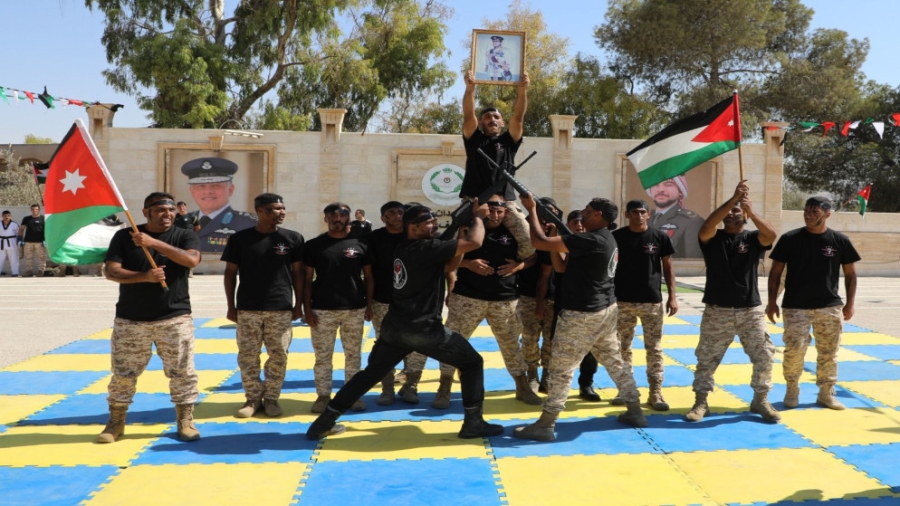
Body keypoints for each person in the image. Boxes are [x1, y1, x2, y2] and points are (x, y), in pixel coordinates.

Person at [305, 203, 504, 441]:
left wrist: (458, 235)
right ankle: (473, 423)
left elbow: (449, 265)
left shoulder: (404, 248)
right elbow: (475, 242)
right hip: (423, 329)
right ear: (413, 227)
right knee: (472, 363)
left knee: (370, 374)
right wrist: (478, 217)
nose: (434, 225)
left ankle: (323, 422)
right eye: (428, 223)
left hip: (395, 328)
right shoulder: (427, 247)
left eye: (434, 221)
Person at [514, 194, 647, 442]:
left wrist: (531, 210)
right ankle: (635, 409)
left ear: (597, 214)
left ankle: (546, 423)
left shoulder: (592, 239)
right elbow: (561, 268)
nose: (582, 213)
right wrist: (556, 236)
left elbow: (538, 242)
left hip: (582, 314)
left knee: (560, 369)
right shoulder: (605, 238)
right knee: (615, 362)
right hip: (604, 311)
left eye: (587, 210)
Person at [97, 192, 202, 443]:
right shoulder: (125, 236)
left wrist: (153, 243)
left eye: (171, 210)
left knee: (182, 372)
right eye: (161, 210)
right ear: (146, 213)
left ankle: (185, 420)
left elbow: (191, 260)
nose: (168, 214)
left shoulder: (184, 234)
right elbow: (111, 271)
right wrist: (144, 277)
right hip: (131, 318)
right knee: (123, 374)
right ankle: (116, 421)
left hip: (174, 316)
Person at [685, 180, 780, 423]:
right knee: (707, 358)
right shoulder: (712, 238)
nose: (730, 213)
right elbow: (707, 225)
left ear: (745, 216)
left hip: (750, 310)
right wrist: (733, 199)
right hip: (718, 310)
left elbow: (771, 235)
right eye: (728, 211)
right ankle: (701, 401)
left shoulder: (753, 239)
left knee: (764, 355)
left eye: (736, 211)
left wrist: (751, 211)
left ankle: (760, 399)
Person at [436, 194, 542, 409]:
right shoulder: (469, 230)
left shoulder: (513, 233)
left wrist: (518, 266)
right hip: (468, 297)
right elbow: (445, 258)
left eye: (499, 211)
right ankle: (444, 386)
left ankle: (522, 386)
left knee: (511, 344)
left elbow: (533, 254)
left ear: (506, 212)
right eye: (490, 210)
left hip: (504, 299)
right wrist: (468, 264)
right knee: (452, 342)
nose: (494, 215)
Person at [766, 196, 860, 410]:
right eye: (806, 211)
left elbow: (851, 274)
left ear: (827, 214)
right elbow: (775, 273)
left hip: (829, 306)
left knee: (829, 353)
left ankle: (826, 393)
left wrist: (850, 304)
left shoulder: (839, 240)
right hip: (795, 306)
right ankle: (792, 389)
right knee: (794, 350)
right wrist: (772, 302)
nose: (808, 215)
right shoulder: (790, 239)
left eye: (814, 212)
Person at [222, 193, 304, 418]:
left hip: (280, 307)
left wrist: (298, 304)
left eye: (283, 208)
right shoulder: (240, 239)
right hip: (248, 307)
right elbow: (230, 273)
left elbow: (298, 274)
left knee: (279, 355)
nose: (281, 212)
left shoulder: (293, 238)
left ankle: (272, 398)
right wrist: (231, 306)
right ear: (260, 211)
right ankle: (252, 398)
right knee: (248, 355)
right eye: (276, 208)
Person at [303, 202, 374, 413]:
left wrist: (369, 305)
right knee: (322, 356)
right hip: (322, 309)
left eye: (342, 215)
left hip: (354, 308)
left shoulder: (360, 244)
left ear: (348, 218)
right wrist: (307, 309)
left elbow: (369, 277)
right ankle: (323, 396)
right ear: (326, 218)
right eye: (333, 215)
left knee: (353, 355)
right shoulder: (314, 245)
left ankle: (351, 396)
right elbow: (306, 280)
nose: (337, 219)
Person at [607, 199, 678, 411]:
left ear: (648, 214)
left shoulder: (659, 237)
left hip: (651, 301)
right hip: (622, 301)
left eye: (642, 212)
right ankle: (625, 389)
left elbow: (668, 268)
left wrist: (672, 296)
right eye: (634, 212)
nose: (639, 216)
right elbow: (608, 268)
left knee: (654, 348)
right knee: (622, 347)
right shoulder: (616, 237)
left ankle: (655, 392)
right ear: (627, 215)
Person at [461, 68, 534, 260]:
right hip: (474, 201)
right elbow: (468, 115)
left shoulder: (509, 141)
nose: (492, 119)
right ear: (481, 123)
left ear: (502, 123)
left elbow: (518, 116)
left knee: (529, 241)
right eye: (487, 117)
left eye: (496, 117)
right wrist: (470, 89)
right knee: (455, 242)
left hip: (505, 202)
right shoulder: (474, 139)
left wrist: (522, 90)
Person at [365, 201, 428, 406]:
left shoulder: (415, 235)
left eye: (400, 212)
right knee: (386, 345)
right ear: (383, 218)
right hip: (383, 300)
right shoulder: (374, 238)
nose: (396, 216)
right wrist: (369, 304)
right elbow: (368, 273)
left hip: (413, 301)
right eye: (391, 213)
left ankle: (411, 386)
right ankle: (387, 388)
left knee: (417, 344)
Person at [516, 197, 560, 393]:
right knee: (529, 337)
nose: (545, 220)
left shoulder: (555, 237)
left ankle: (547, 375)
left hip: (553, 297)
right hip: (527, 296)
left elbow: (546, 274)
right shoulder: (523, 235)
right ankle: (532, 374)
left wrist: (541, 303)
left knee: (551, 339)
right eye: (541, 215)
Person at [182, 157, 256, 253]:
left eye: (216, 185)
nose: (208, 191)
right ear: (192, 192)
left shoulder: (249, 225)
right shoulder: (179, 223)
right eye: (201, 186)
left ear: (230, 190)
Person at [647, 176, 704, 258]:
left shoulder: (692, 222)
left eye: (668, 184)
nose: (660, 190)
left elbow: (693, 263)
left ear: (680, 191)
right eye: (655, 184)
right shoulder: (643, 217)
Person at [18, 204, 47, 277]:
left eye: (36, 209)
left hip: (40, 242)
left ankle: (41, 271)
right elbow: (21, 229)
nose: (35, 211)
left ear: (39, 210)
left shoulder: (43, 218)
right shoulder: (26, 219)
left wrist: (46, 240)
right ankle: (29, 271)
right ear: (31, 210)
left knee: (41, 257)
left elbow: (47, 230)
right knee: (28, 258)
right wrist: (20, 238)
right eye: (33, 209)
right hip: (28, 242)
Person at [0, 211, 20, 276]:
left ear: (10, 216)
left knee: (14, 257)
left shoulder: (14, 224)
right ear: (2, 216)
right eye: (5, 216)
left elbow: (18, 233)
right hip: (1, 242)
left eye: (8, 216)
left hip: (12, 241)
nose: (6, 217)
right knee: (0, 258)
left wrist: (19, 240)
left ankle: (15, 272)